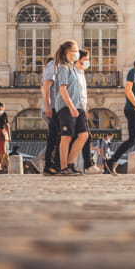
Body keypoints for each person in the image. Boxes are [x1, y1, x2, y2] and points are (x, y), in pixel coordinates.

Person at [52, 44, 90, 175]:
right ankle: (63, 168)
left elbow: (77, 91)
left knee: (84, 135)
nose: (77, 53)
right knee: (66, 137)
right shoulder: (63, 68)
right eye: (75, 50)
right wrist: (71, 107)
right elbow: (62, 89)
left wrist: (82, 108)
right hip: (66, 107)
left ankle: (70, 163)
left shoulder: (73, 68)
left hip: (78, 107)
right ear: (68, 52)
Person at [41, 44, 63, 176]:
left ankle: (51, 164)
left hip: (56, 107)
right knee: (57, 136)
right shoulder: (53, 65)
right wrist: (48, 107)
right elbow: (46, 87)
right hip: (53, 107)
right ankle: (50, 164)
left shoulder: (57, 66)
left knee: (54, 136)